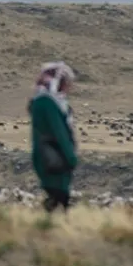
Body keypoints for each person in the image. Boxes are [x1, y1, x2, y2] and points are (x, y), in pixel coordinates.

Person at [29, 61, 79, 213]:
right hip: (56, 160)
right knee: (59, 201)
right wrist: (71, 157)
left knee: (55, 201)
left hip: (46, 158)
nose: (69, 86)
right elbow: (60, 133)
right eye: (66, 82)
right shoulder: (49, 103)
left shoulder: (40, 101)